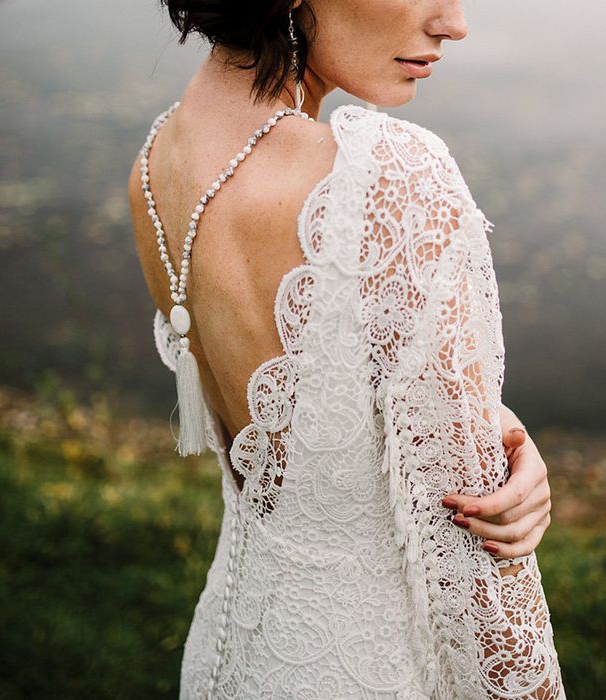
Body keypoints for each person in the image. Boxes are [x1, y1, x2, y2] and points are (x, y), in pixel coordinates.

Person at [128, 1, 566, 697]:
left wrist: (490, 424)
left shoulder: (158, 164)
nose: (453, 23)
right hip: (372, 665)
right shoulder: (390, 177)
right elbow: (474, 565)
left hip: (231, 658)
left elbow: (311, 434)